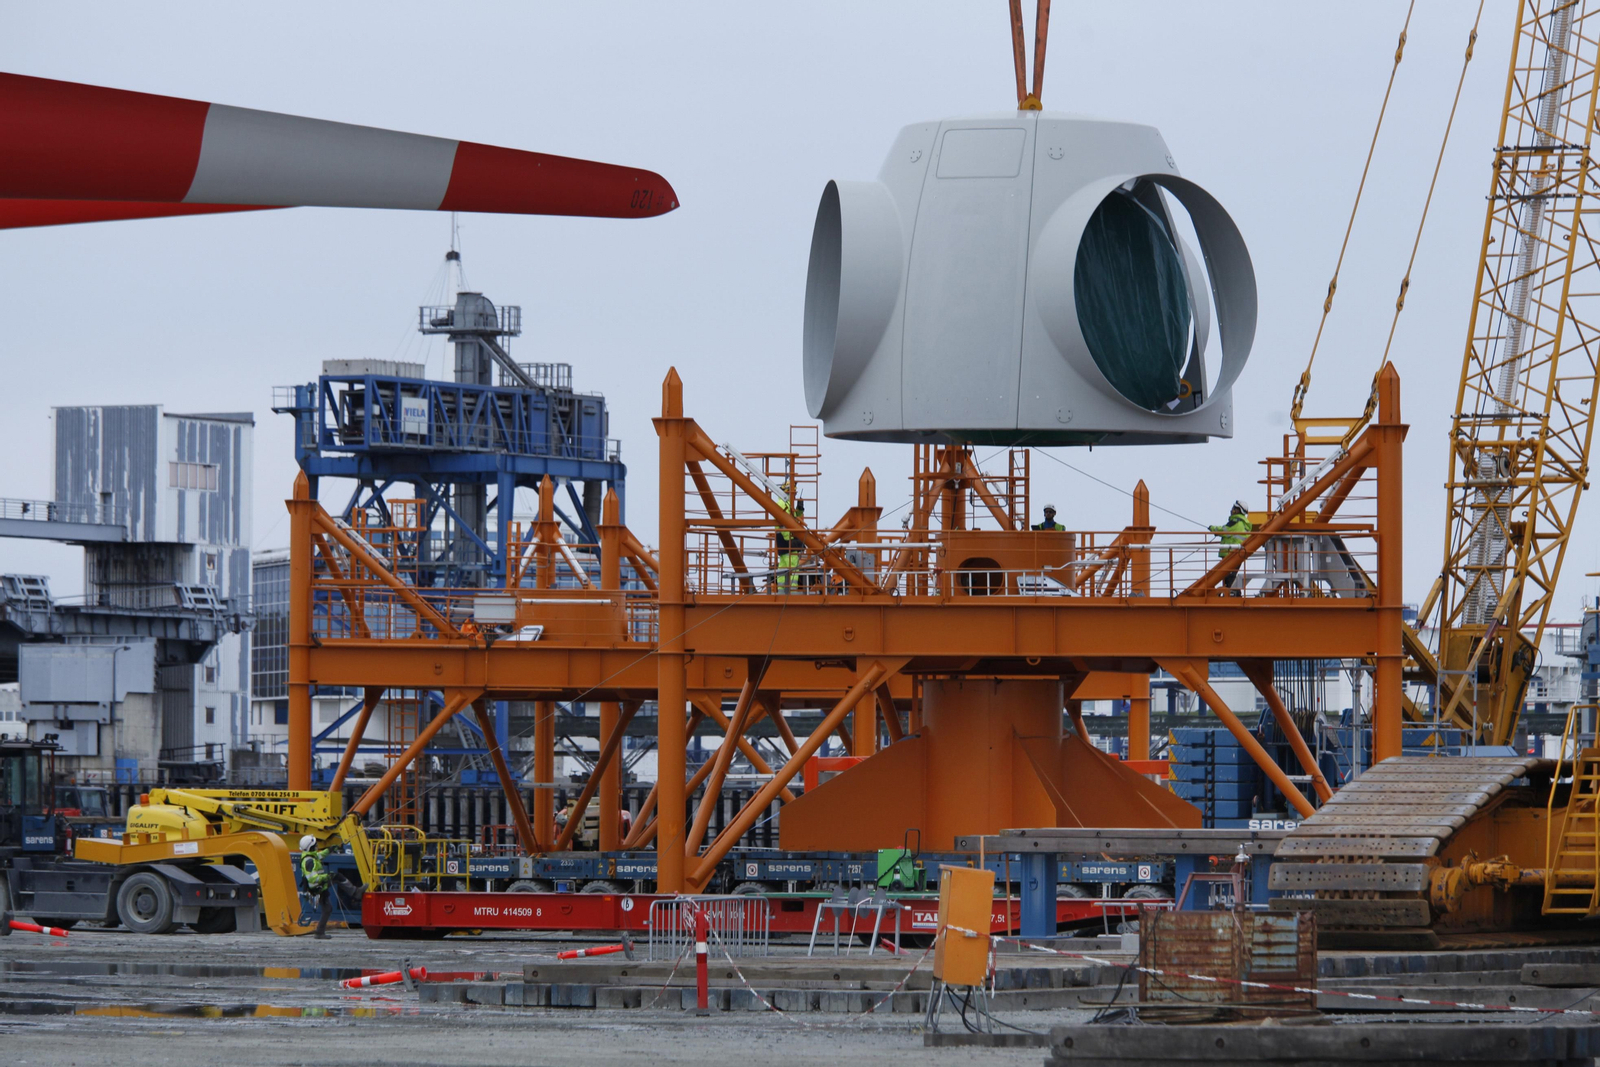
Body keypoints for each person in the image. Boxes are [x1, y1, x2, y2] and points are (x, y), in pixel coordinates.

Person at [1209, 500, 1253, 591]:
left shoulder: (1236, 522)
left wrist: (1212, 528)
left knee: (1228, 577)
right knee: (1231, 577)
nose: (1231, 510)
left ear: (1237, 510)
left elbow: (1223, 530)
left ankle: (1230, 593)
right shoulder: (1245, 525)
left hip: (1230, 553)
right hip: (1237, 554)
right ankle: (1232, 592)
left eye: (1233, 508)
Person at [774, 481, 804, 592]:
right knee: (793, 566)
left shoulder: (784, 503)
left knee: (782, 566)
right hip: (788, 539)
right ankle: (792, 590)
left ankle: (781, 589)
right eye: (794, 492)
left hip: (783, 539)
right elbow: (791, 520)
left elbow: (793, 517)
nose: (795, 495)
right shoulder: (783, 503)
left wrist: (799, 510)